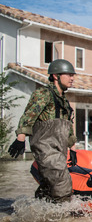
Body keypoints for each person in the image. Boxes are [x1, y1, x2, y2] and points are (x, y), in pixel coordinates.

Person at [8, 59, 77, 202]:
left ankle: (37, 218)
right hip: (46, 148)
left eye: (73, 75)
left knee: (48, 189)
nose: (72, 78)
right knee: (62, 186)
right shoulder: (43, 94)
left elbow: (68, 127)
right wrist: (20, 139)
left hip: (59, 150)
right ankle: (64, 221)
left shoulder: (63, 101)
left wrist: (73, 149)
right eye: (69, 75)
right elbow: (29, 116)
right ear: (56, 76)